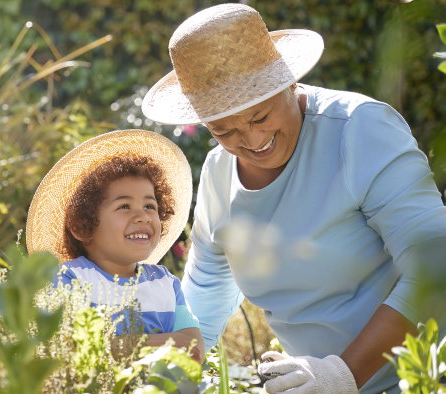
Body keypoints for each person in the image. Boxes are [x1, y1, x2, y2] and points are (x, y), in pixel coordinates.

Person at [141, 3, 446, 393]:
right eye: (223, 130)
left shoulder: (358, 130)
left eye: (259, 117)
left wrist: (343, 374)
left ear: (287, 81)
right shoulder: (219, 173)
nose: (251, 142)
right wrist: (170, 373)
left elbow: (435, 264)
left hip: (422, 379)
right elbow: (207, 289)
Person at [25, 129, 205, 362]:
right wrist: (166, 343)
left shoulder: (166, 283)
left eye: (150, 206)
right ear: (83, 226)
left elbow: (194, 348)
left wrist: (116, 344)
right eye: (124, 206)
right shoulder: (70, 280)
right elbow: (71, 350)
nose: (143, 216)